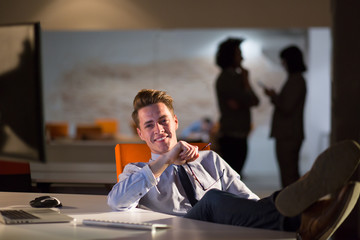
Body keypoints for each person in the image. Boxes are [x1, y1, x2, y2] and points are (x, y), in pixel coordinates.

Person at [108, 89, 360, 240]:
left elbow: (247, 202)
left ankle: (305, 212)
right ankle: (305, 219)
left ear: (175, 122)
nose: (159, 129)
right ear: (141, 134)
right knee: (212, 200)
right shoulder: (136, 172)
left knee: (251, 204)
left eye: (163, 121)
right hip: (179, 232)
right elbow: (116, 201)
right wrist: (166, 158)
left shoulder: (209, 159)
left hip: (223, 230)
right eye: (149, 125)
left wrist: (264, 212)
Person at [263, 45, 307, 188]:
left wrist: (274, 97)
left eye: (283, 61)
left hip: (289, 135)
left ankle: (291, 208)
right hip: (289, 134)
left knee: (289, 175)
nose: (282, 64)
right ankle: (291, 207)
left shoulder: (296, 80)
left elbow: (287, 107)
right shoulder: (296, 80)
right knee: (289, 173)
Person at [215, 37, 259, 176]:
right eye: (239, 54)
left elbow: (255, 101)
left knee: (236, 176)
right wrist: (245, 87)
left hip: (240, 134)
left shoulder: (238, 77)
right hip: (231, 136)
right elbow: (240, 103)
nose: (242, 58)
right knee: (232, 178)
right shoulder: (225, 79)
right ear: (230, 56)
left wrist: (246, 82)